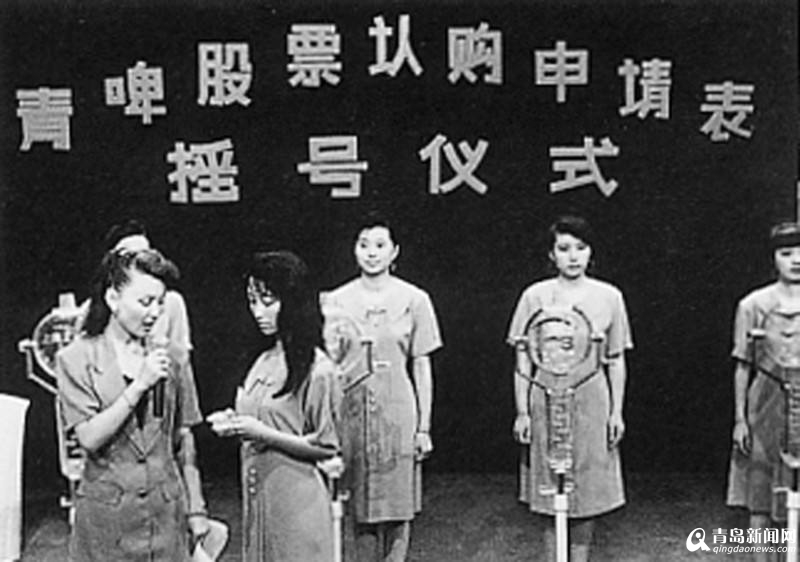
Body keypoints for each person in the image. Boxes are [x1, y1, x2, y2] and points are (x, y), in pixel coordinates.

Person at [56, 249, 209, 561]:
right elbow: (89, 437)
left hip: (166, 521)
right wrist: (140, 385)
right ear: (113, 299)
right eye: (145, 302)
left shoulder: (173, 358)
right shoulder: (75, 358)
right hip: (106, 526)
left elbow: (183, 437)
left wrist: (196, 508)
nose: (154, 313)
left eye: (160, 303)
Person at [507, 215, 632, 562]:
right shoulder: (534, 296)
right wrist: (522, 412)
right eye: (564, 248)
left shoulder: (609, 296)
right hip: (545, 398)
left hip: (591, 400)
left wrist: (616, 412)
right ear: (552, 254)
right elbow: (522, 359)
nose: (573, 256)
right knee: (549, 493)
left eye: (580, 247)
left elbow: (616, 359)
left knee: (587, 494)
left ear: (591, 252)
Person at [207, 251, 340, 562]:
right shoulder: (263, 360)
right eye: (252, 302)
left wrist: (261, 433)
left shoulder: (318, 370)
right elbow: (261, 414)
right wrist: (234, 421)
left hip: (297, 504)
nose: (258, 312)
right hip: (258, 495)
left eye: (268, 301)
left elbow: (326, 445)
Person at [326, 212, 443, 562]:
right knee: (358, 506)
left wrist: (423, 427)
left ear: (395, 251)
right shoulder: (336, 300)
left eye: (379, 245)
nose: (371, 253)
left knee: (398, 507)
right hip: (351, 412)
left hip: (397, 411)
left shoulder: (415, 299)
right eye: (364, 245)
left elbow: (421, 364)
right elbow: (328, 367)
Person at [727, 222, 800, 562]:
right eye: (787, 253)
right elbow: (743, 365)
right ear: (773, 258)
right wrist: (740, 419)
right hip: (767, 401)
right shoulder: (753, 305)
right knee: (760, 493)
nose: (796, 260)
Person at [78, 219, 192, 351]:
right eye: (128, 257)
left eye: (145, 254)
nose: (137, 263)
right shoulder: (89, 309)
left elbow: (181, 357)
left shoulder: (172, 302)